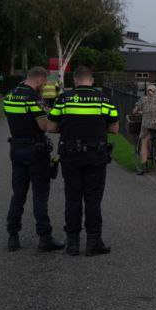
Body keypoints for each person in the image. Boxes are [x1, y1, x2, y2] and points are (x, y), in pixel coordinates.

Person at [47, 65, 119, 255]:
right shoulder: (104, 99)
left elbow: (51, 127)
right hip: (96, 156)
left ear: (75, 80)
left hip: (70, 155)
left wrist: (70, 129)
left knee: (72, 198)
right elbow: (114, 129)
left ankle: (72, 244)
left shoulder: (63, 99)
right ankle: (93, 242)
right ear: (92, 80)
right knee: (93, 199)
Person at [1, 66, 64, 252]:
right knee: (40, 195)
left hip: (16, 149)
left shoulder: (10, 95)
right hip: (35, 151)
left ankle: (13, 236)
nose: (43, 87)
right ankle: (45, 237)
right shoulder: (33, 97)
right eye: (43, 84)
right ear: (39, 79)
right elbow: (44, 125)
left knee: (18, 194)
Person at [131, 84, 156, 174]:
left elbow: (134, 111)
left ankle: (143, 167)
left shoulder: (143, 99)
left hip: (147, 125)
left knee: (144, 142)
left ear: (146, 91)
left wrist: (137, 112)